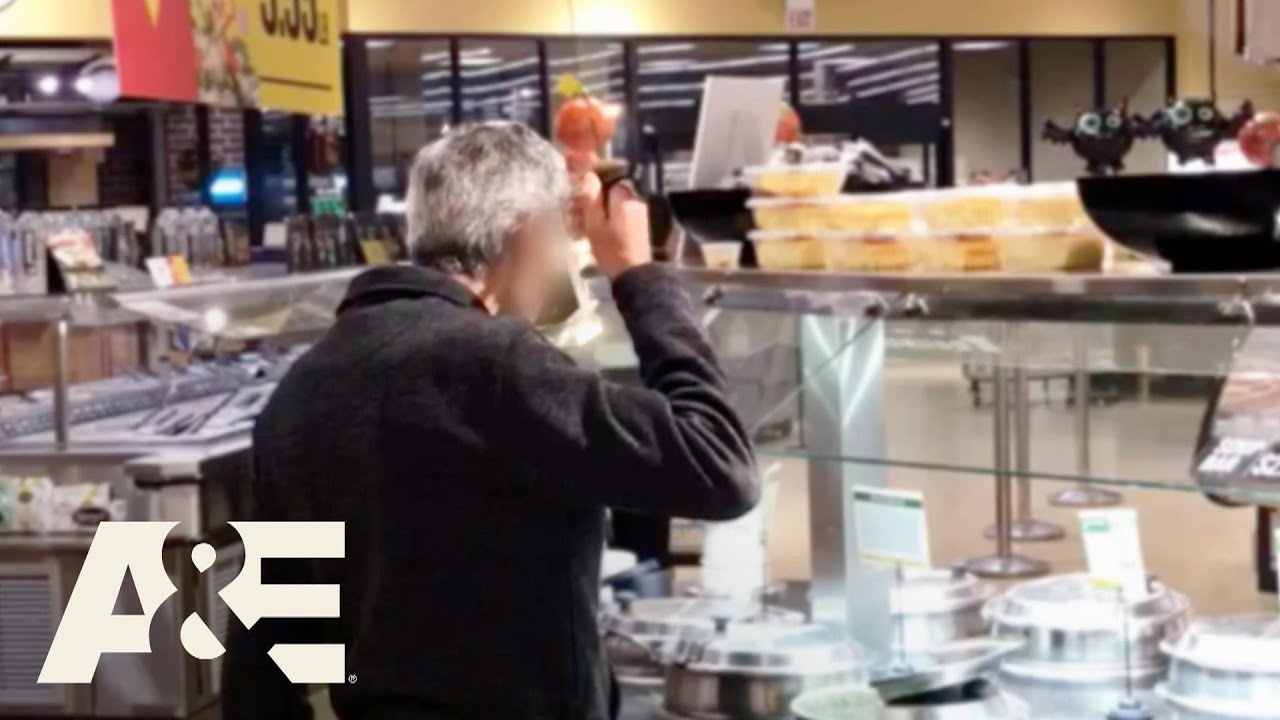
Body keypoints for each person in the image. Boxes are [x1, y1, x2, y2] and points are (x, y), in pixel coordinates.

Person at [223, 121, 758, 720]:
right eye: (562, 239)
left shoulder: (303, 387)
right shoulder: (496, 364)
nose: (564, 269)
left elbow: (264, 657)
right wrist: (639, 275)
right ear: (527, 233)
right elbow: (719, 464)